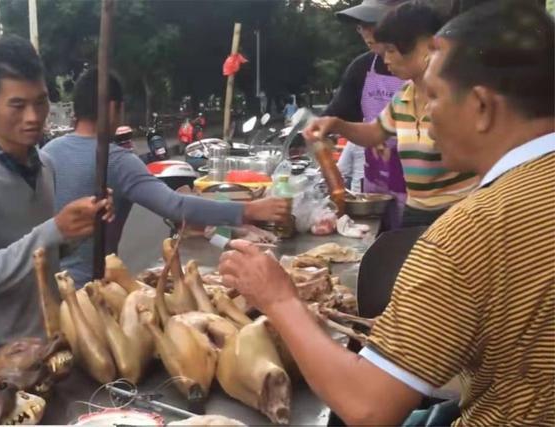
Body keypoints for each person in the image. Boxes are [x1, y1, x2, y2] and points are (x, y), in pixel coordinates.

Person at [219, 1, 554, 425]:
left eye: (434, 95)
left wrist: (279, 299)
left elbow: (369, 407)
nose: (426, 114)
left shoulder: (470, 232)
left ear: (482, 107)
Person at [0, 36, 114, 387]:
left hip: (50, 352)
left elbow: (44, 254)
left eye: (41, 102)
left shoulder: (45, 165)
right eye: (17, 105)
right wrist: (54, 230)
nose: (33, 117)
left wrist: (79, 228)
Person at [43, 69, 289, 288]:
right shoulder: (117, 160)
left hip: (45, 290)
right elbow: (176, 206)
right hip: (91, 293)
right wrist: (251, 209)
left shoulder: (47, 154)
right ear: (112, 108)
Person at [305, 1, 479, 228]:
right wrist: (337, 124)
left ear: (427, 46)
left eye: (391, 50)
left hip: (457, 213)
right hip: (415, 211)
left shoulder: (460, 95)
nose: (386, 59)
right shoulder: (404, 95)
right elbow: (376, 132)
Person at [325, 0, 407, 230]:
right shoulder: (361, 67)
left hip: (422, 194)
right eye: (361, 26)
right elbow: (368, 128)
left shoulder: (427, 80)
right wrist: (328, 125)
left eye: (373, 23)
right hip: (376, 190)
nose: (366, 33)